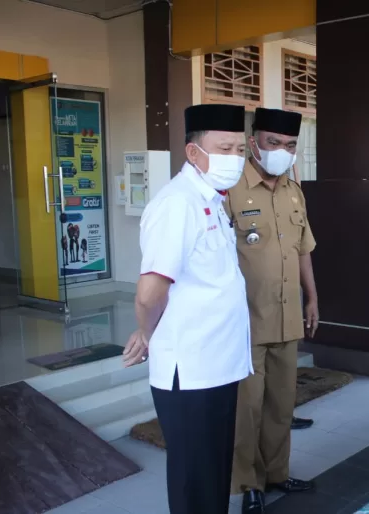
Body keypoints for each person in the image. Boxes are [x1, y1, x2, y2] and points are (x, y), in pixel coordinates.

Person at [122, 104, 252, 514]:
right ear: (193, 152)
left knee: (213, 472)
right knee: (195, 478)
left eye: (240, 149)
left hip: (218, 363)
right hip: (192, 369)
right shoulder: (177, 203)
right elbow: (149, 293)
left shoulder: (210, 199)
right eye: (225, 148)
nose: (235, 158)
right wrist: (147, 333)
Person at [228, 107, 319, 514]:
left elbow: (303, 251)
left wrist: (312, 297)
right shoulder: (230, 189)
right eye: (274, 143)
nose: (282, 151)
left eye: (290, 145)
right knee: (247, 409)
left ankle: (277, 473)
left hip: (287, 316)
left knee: (282, 404)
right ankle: (249, 483)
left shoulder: (293, 192)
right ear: (254, 143)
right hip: (246, 321)